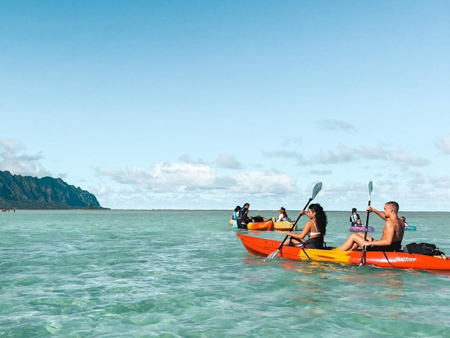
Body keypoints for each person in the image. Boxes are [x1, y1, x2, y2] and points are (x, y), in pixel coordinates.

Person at [339, 201, 405, 252]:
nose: (384, 211)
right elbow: (386, 218)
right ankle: (349, 252)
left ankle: (338, 253)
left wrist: (369, 243)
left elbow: (388, 242)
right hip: (393, 248)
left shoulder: (390, 223)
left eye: (385, 209)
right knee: (360, 234)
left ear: (391, 210)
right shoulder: (400, 221)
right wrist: (373, 210)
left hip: (383, 249)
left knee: (353, 236)